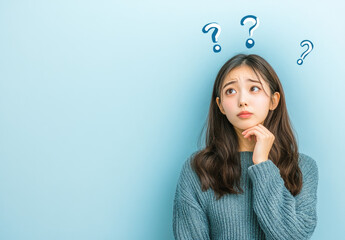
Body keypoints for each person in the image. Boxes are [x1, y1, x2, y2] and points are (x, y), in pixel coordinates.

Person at [172, 54, 319, 240]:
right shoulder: (198, 169)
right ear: (221, 106)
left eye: (254, 88)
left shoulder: (302, 168)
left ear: (273, 100)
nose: (242, 100)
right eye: (231, 91)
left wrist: (262, 165)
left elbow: (293, 237)